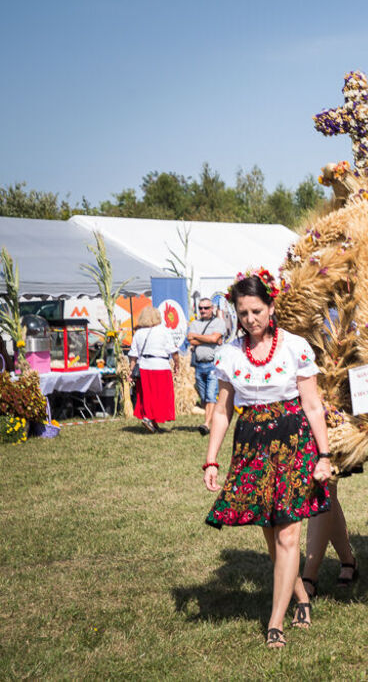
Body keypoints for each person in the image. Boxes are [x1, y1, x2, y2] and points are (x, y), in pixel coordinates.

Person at [202, 271, 333, 648]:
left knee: (290, 531)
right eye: (243, 313)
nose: (250, 319)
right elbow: (223, 411)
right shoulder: (229, 354)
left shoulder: (295, 347)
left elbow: (312, 404)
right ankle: (301, 597)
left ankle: (275, 621)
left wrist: (324, 455)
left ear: (271, 307)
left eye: (257, 311)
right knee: (272, 533)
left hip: (292, 439)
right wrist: (211, 460)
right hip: (252, 444)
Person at [128, 305, 180, 433]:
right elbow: (173, 352)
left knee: (147, 395)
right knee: (161, 396)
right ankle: (149, 419)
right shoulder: (163, 331)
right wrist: (177, 364)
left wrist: (131, 371)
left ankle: (152, 420)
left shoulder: (138, 333)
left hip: (144, 366)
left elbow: (133, 355)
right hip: (160, 366)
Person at [187, 297, 227, 436]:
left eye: (206, 308)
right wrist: (209, 339)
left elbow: (214, 339)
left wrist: (198, 337)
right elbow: (190, 339)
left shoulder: (219, 322)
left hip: (213, 365)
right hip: (199, 365)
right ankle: (211, 421)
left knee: (211, 396)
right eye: (200, 308)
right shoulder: (195, 323)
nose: (203, 311)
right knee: (204, 397)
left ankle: (206, 424)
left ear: (212, 309)